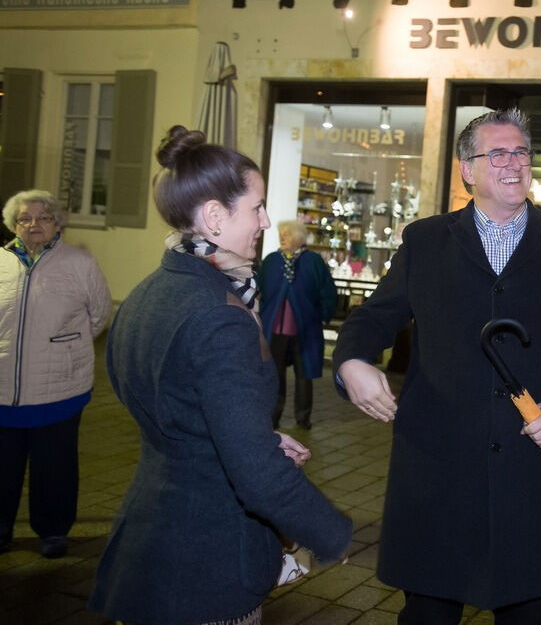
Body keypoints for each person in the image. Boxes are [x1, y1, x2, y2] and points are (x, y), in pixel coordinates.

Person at [333, 108, 541, 624]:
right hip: (439, 478)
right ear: (467, 169)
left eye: (521, 152)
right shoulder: (425, 241)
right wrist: (352, 359)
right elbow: (375, 317)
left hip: (533, 477)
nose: (513, 163)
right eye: (498, 153)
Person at [89, 126, 352, 625]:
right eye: (256, 207)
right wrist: (333, 532)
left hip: (148, 541)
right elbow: (254, 475)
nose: (266, 220)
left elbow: (169, 402)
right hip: (205, 562)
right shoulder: (220, 314)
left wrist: (250, 431)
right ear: (214, 216)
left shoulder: (148, 292)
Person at [0, 190, 111, 559]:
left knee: (55, 465)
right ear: (13, 224)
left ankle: (52, 530)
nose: (34, 225)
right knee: (3, 466)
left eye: (43, 218)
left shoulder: (79, 262)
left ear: (57, 223)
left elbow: (98, 315)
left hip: (59, 387)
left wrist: (63, 348)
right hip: (2, 389)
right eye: (25, 219)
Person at [258, 220, 337, 430]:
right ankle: (272, 416)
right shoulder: (272, 261)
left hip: (305, 330)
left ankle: (303, 418)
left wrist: (320, 315)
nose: (282, 238)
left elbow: (327, 291)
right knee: (274, 375)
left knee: (304, 375)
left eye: (287, 234)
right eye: (281, 234)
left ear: (300, 238)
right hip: (275, 330)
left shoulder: (313, 261)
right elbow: (262, 292)